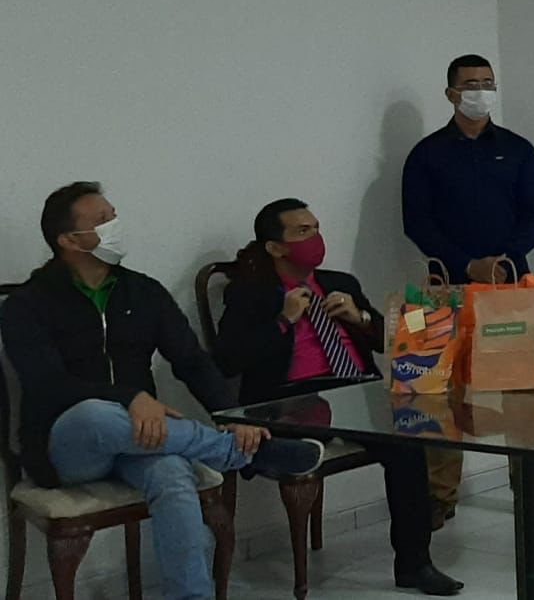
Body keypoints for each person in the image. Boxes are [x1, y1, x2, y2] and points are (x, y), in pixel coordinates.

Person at [0, 182, 325, 600]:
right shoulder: (26, 305)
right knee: (95, 413)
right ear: (69, 240)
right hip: (67, 445)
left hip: (142, 436)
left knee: (173, 473)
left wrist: (234, 417)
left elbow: (192, 361)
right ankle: (233, 452)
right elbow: (47, 384)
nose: (115, 225)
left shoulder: (143, 292)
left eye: (114, 215)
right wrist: (130, 399)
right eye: (102, 220)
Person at [214, 199, 463, 595]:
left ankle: (415, 565)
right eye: (302, 232)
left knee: (407, 442)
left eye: (316, 228)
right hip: (290, 399)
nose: (314, 238)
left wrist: (359, 318)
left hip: (354, 389)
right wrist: (284, 320)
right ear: (275, 247)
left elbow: (391, 341)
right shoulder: (249, 295)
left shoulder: (339, 283)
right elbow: (229, 360)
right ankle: (283, 453)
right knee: (327, 431)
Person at [402, 53, 534, 527]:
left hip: (508, 287)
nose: (481, 92)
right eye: (470, 84)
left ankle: (529, 490)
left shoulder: (519, 150)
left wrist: (501, 263)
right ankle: (439, 497)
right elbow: (417, 222)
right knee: (435, 396)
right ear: (451, 93)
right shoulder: (426, 155)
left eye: (487, 82)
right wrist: (467, 264)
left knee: (519, 397)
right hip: (441, 291)